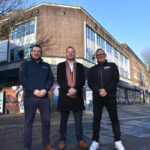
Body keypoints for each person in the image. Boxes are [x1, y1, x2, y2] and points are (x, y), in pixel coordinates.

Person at [19, 44, 55, 150]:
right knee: (29, 122)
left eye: (38, 51)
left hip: (44, 98)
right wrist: (33, 90)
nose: (36, 52)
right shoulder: (25, 64)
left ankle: (46, 144)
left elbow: (51, 79)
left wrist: (45, 89)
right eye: (34, 51)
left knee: (46, 121)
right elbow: (23, 79)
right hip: (30, 97)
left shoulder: (46, 65)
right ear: (31, 52)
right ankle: (27, 146)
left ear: (41, 53)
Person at [88, 48, 125, 150]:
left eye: (102, 54)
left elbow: (115, 79)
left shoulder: (112, 66)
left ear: (105, 55)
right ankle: (95, 141)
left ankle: (118, 141)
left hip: (110, 96)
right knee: (96, 119)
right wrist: (99, 90)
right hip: (97, 97)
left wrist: (107, 90)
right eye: (98, 54)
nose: (100, 55)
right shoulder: (92, 69)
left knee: (114, 119)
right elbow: (90, 82)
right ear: (96, 57)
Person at [57, 46, 88, 149]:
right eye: (68, 52)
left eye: (72, 52)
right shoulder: (60, 66)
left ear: (74, 54)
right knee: (63, 121)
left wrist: (75, 89)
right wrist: (69, 89)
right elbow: (60, 80)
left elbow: (82, 80)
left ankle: (80, 140)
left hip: (77, 96)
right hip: (64, 96)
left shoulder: (80, 66)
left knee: (78, 121)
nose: (70, 53)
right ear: (66, 54)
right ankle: (62, 140)